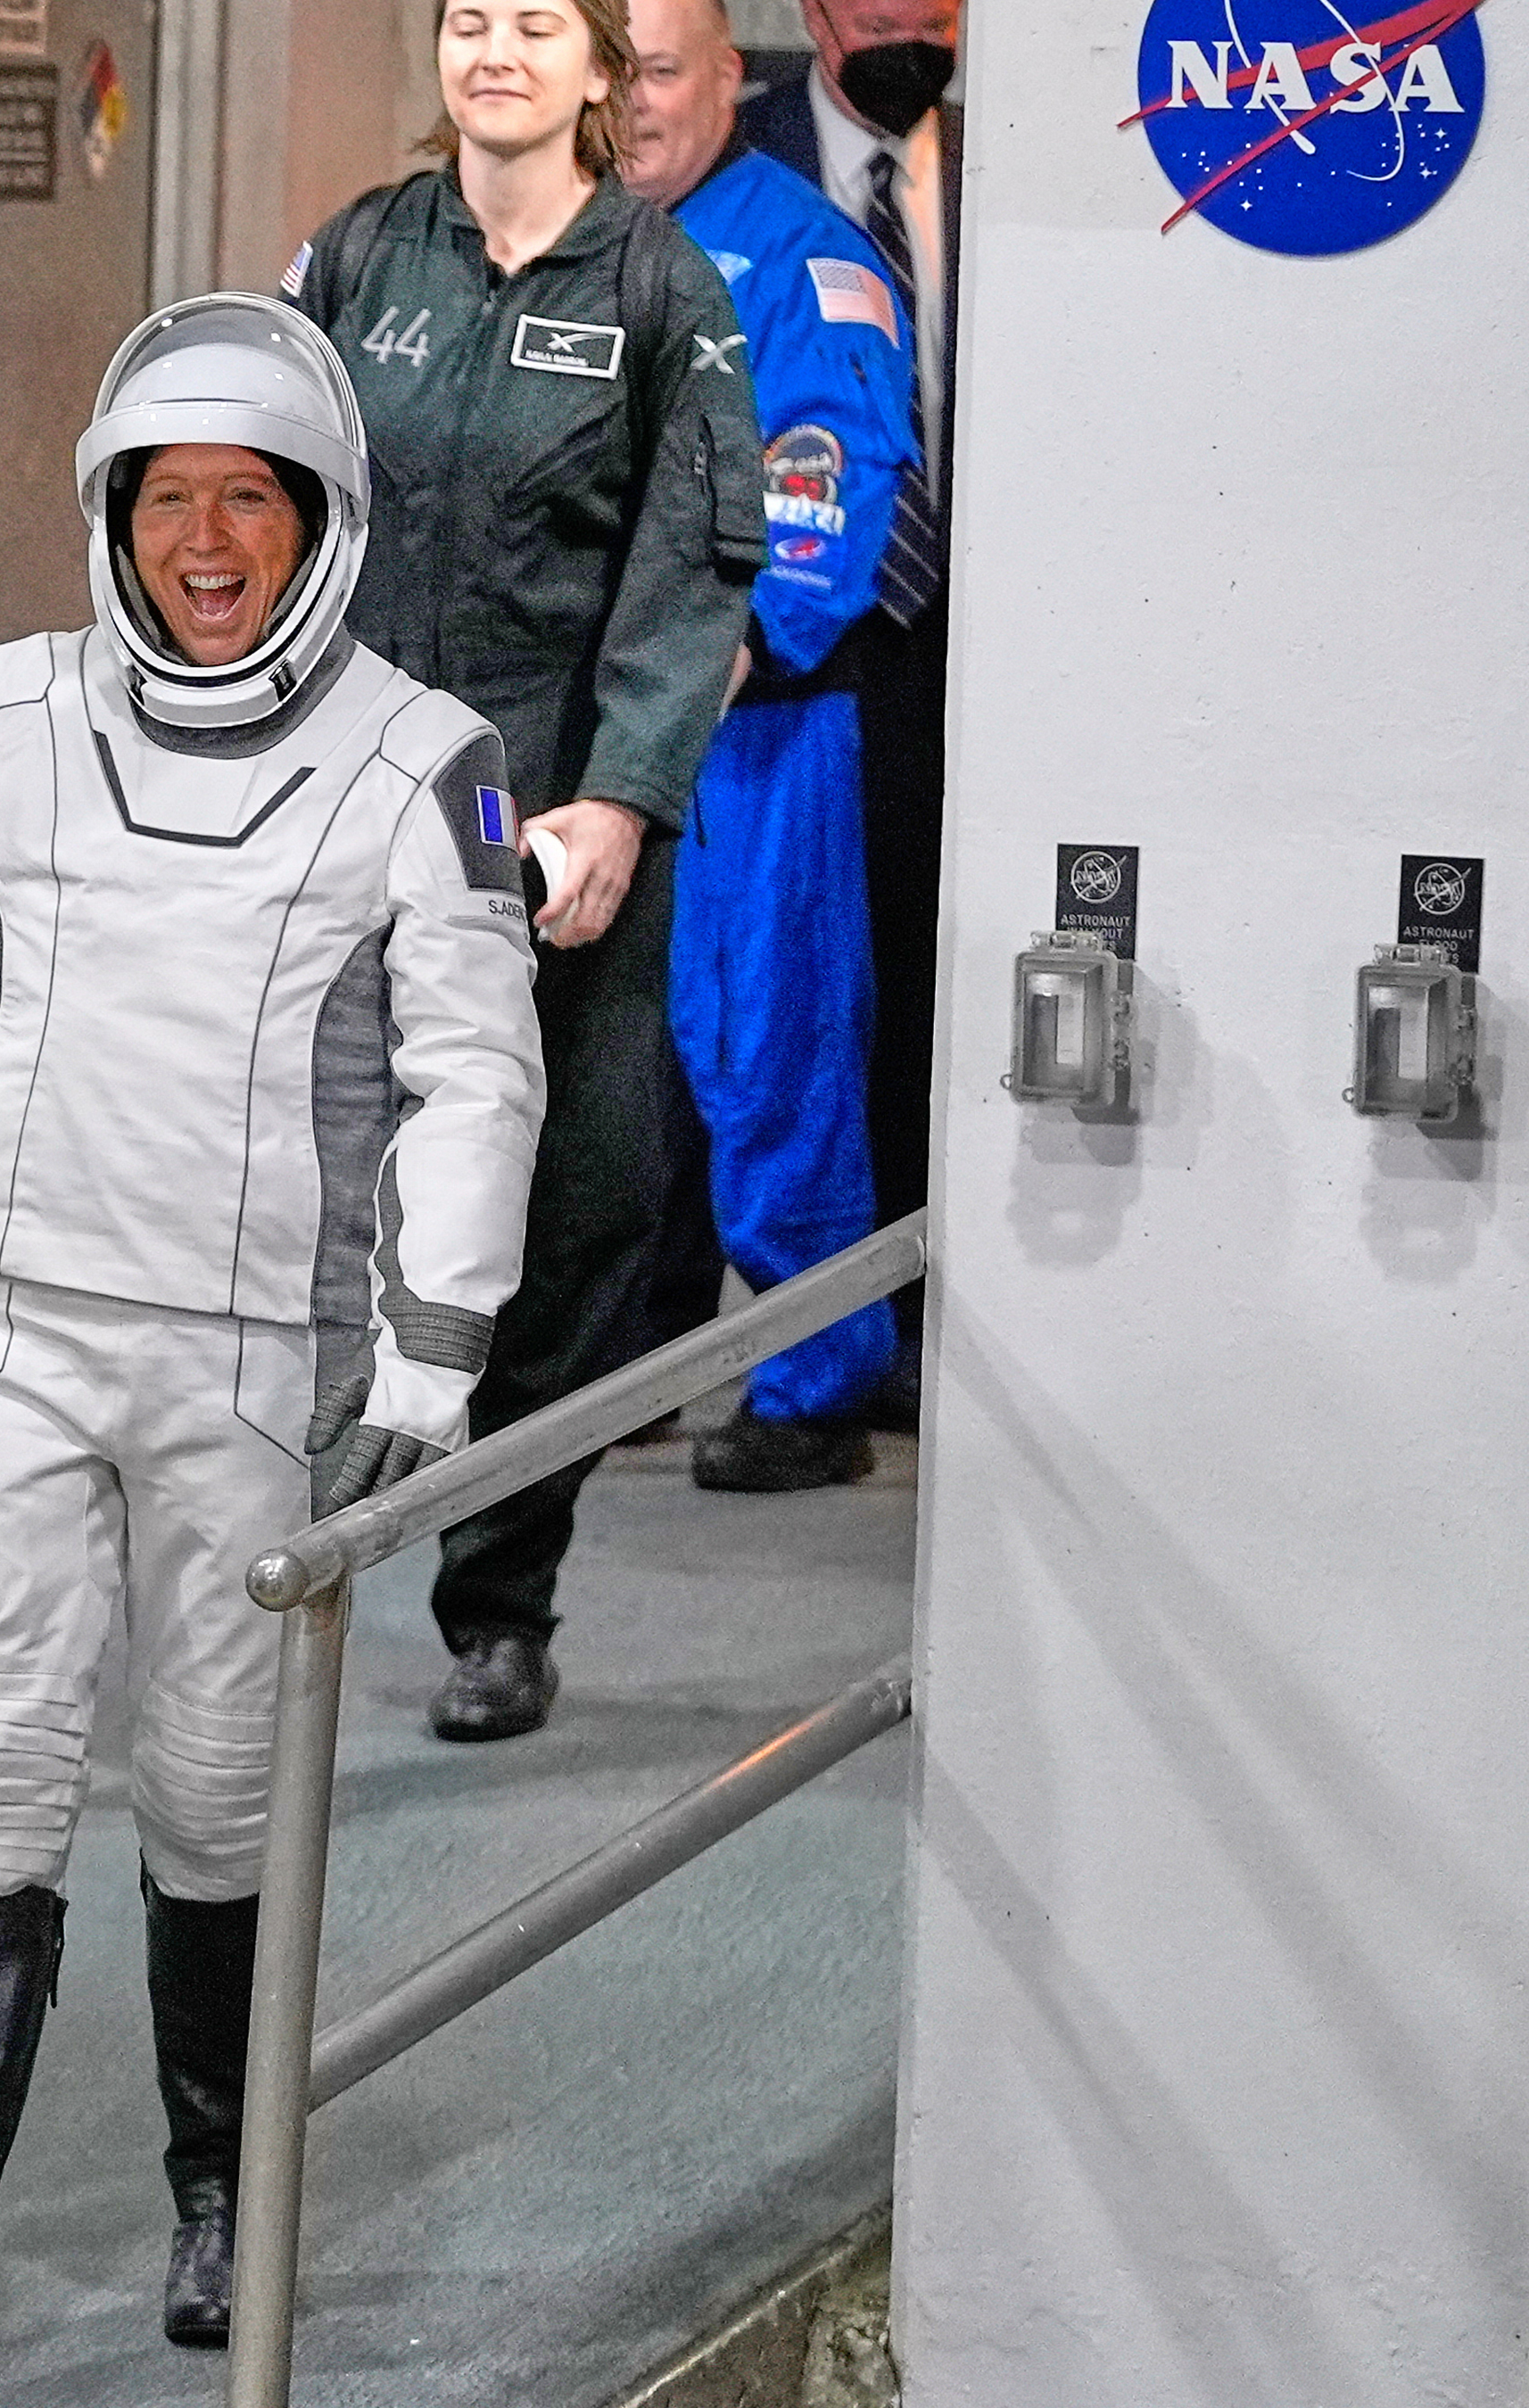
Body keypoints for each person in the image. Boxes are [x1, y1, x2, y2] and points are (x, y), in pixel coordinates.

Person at [0, 317, 545, 2371]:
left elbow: (477, 1073)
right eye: (167, 499)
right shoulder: (19, 712)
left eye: (249, 497)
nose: (207, 539)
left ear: (324, 520)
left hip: (261, 1365)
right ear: (113, 523)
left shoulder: (423, 763)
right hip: (8, 1332)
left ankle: (220, 2211)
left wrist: (433, 1352)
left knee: (221, 1795)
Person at [283, 0, 760, 1741]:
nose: (495, 50)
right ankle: (290, 1554)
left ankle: (501, 1602)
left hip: (543, 829)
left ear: (597, 67)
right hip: (345, 814)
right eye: (467, 19)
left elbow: (700, 568)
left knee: (580, 1208)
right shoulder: (353, 261)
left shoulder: (660, 292)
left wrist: (622, 805)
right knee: (321, 1198)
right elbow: (255, 508)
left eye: (535, 21)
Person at [619, 0, 914, 1488]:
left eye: (660, 72)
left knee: (767, 1052)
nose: (631, 103)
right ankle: (613, 1369)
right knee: (584, 1065)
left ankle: (817, 1380)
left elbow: (831, 481)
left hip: (757, 729)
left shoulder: (807, 255)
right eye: (607, 72)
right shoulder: (536, 240)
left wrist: (721, 652)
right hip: (566, 728)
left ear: (735, 77)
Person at [742, 0, 959, 1420]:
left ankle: (909, 1335)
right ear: (813, 11)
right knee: (768, 997)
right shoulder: (728, 154)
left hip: (969, 644)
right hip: (780, 647)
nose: (911, 18)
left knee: (923, 972)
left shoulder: (1020, 162)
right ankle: (685, 1347)